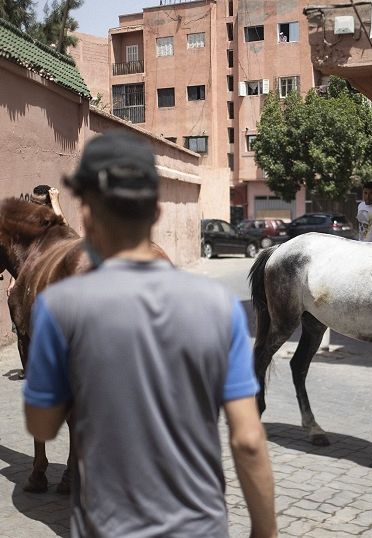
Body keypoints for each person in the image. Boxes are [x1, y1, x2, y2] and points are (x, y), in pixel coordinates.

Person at [23, 131, 277, 537]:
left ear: (88, 217)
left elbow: (42, 422)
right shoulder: (220, 309)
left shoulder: (58, 309)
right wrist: (265, 531)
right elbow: (247, 440)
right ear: (157, 213)